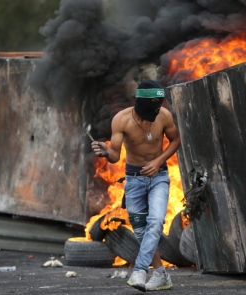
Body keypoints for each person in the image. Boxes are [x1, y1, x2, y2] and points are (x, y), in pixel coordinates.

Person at [91, 79, 180, 292]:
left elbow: (176, 140)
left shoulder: (164, 116)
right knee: (141, 231)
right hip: (133, 180)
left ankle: (140, 270)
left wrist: (158, 161)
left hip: (159, 177)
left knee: (156, 221)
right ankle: (161, 276)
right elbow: (114, 156)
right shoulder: (121, 120)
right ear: (139, 103)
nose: (154, 113)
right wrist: (106, 152)